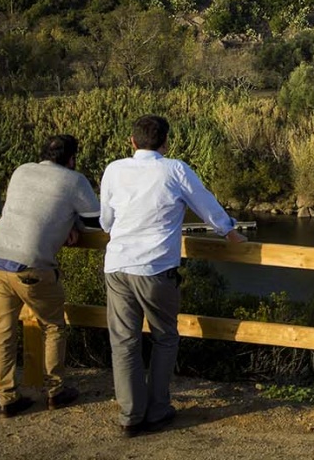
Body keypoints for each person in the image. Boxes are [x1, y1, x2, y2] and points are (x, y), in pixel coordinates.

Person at [100, 114, 246, 437]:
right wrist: (230, 233)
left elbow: (106, 222)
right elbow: (206, 204)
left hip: (118, 265)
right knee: (165, 337)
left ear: (132, 142)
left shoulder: (114, 170)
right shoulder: (175, 169)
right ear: (165, 143)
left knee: (124, 343)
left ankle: (130, 416)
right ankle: (158, 409)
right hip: (155, 269)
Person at [0, 134, 100, 417]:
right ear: (71, 158)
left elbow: (30, 209)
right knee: (53, 326)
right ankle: (55, 391)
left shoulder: (21, 170)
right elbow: (96, 219)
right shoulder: (74, 180)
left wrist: (67, 220)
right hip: (31, 266)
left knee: (3, 330)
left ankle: (7, 397)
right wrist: (73, 223)